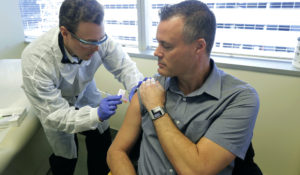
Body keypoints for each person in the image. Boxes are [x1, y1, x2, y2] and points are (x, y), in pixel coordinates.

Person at [107, 1, 261, 175]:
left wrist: (157, 109)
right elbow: (115, 152)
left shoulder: (239, 98)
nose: (157, 52)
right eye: (158, 43)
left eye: (167, 45)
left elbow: (196, 170)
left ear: (199, 46)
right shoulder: (150, 88)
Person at [21, 0, 143, 174]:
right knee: (66, 158)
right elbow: (54, 115)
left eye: (100, 39)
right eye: (89, 42)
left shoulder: (97, 39)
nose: (97, 48)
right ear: (65, 33)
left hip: (87, 94)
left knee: (101, 147)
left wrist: (136, 88)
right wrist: (96, 114)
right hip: (56, 106)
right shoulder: (35, 61)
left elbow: (124, 66)